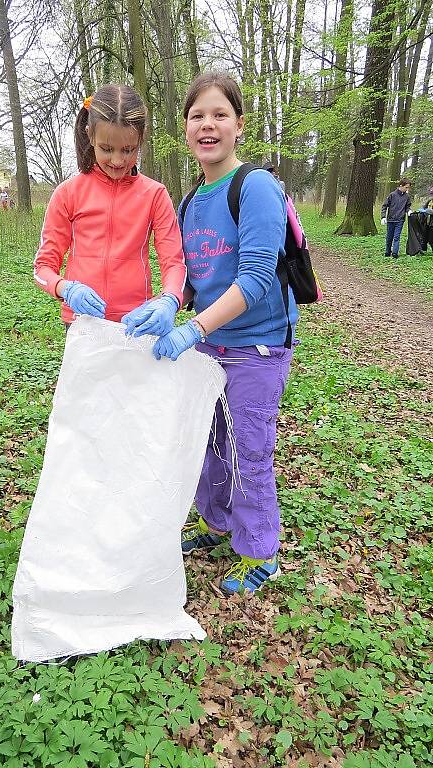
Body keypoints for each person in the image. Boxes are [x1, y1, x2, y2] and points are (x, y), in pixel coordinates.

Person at [127, 72, 296, 596]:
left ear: (239, 126)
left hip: (258, 345)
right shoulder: (191, 200)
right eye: (198, 116)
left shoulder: (257, 187)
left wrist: (192, 328)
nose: (208, 125)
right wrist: (168, 303)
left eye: (219, 115)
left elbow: (256, 277)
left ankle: (258, 550)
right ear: (185, 129)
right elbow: (191, 279)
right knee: (207, 438)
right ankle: (214, 521)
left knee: (249, 446)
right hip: (209, 344)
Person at [33, 84, 185, 332]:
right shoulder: (67, 193)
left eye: (128, 150)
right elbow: (43, 268)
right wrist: (66, 288)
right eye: (106, 149)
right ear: (90, 135)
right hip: (82, 323)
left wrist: (169, 300)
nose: (117, 161)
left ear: (141, 139)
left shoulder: (155, 195)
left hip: (135, 322)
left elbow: (174, 262)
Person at [380, 179, 412, 258]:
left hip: (400, 220)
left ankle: (395, 253)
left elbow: (407, 207)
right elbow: (384, 206)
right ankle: (387, 251)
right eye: (406, 187)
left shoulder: (407, 197)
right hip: (391, 219)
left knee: (397, 237)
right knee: (389, 237)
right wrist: (383, 217)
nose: (407, 189)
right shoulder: (392, 195)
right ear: (401, 185)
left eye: (408, 188)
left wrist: (409, 211)